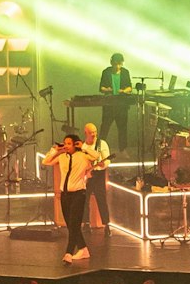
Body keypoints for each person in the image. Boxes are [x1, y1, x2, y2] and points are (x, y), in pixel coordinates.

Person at [43, 133, 93, 264]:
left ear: (75, 144)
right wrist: (55, 150)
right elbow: (46, 161)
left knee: (74, 223)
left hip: (78, 193)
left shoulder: (82, 156)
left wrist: (84, 147)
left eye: (69, 143)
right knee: (71, 225)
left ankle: (68, 253)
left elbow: (96, 156)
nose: (66, 146)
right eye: (65, 143)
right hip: (65, 194)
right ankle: (83, 249)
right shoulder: (62, 157)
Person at [98, 53, 135, 157]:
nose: (117, 67)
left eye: (119, 64)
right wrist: (108, 90)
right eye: (115, 64)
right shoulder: (106, 72)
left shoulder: (125, 72)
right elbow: (101, 88)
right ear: (112, 63)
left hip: (122, 105)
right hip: (109, 105)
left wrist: (123, 91)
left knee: (122, 129)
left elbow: (130, 87)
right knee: (104, 128)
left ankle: (123, 150)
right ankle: (99, 150)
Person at [82, 122, 112, 231]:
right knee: (84, 199)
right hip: (86, 175)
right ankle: (86, 223)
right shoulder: (83, 146)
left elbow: (107, 159)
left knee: (101, 199)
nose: (94, 134)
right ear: (86, 133)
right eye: (91, 132)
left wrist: (103, 164)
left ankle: (106, 225)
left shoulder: (101, 144)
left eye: (95, 132)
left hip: (98, 174)